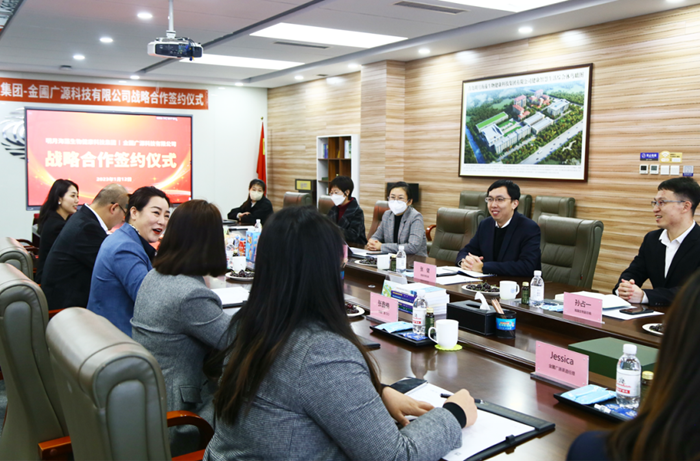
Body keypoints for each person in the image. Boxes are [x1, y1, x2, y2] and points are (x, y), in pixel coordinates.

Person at [204, 206, 477, 460]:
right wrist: (453, 414)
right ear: (324, 271)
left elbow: (296, 389)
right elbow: (394, 456)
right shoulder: (322, 351)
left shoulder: (249, 322)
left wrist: (379, 392)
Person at [567, 269, 700, 460]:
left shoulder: (591, 450)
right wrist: (627, 289)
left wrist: (645, 295)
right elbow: (628, 277)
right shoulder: (653, 241)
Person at [132, 199, 229, 456]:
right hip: (183, 418)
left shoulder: (154, 276)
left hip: (152, 403)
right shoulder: (190, 295)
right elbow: (238, 340)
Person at [87, 186, 170, 336]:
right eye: (156, 213)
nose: (162, 221)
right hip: (118, 337)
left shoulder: (124, 238)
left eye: (166, 215)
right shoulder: (125, 248)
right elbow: (150, 301)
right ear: (134, 213)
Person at [614, 177, 700, 307]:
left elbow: (695, 292)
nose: (655, 209)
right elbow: (634, 272)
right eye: (655, 202)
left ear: (685, 206)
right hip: (656, 315)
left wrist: (645, 296)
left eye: (662, 202)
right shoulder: (652, 239)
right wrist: (624, 288)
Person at [41, 184, 128, 310]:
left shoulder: (82, 218)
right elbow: (115, 268)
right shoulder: (88, 228)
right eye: (124, 214)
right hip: (68, 310)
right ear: (113, 208)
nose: (122, 219)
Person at [456, 179, 540, 276]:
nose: (493, 205)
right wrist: (465, 262)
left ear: (514, 203)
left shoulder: (529, 228)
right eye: (490, 199)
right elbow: (466, 251)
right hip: (488, 282)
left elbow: (527, 266)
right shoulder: (485, 224)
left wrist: (483, 267)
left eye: (500, 199)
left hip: (517, 284)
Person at [35, 179, 80, 284]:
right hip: (52, 281)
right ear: (59, 198)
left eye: (77, 196)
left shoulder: (55, 218)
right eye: (73, 196)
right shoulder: (57, 226)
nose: (77, 200)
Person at [367, 181, 428, 256]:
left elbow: (412, 247)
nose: (395, 201)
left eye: (400, 198)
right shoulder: (387, 215)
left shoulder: (415, 217)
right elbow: (376, 236)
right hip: (392, 258)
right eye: (392, 197)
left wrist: (381, 247)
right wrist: (372, 242)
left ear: (409, 202)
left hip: (413, 260)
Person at [326, 175, 367, 246]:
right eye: (331, 193)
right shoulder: (333, 209)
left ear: (347, 192)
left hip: (355, 246)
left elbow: (353, 235)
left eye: (336, 192)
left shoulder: (357, 211)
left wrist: (332, 229)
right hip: (336, 245)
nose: (333, 196)